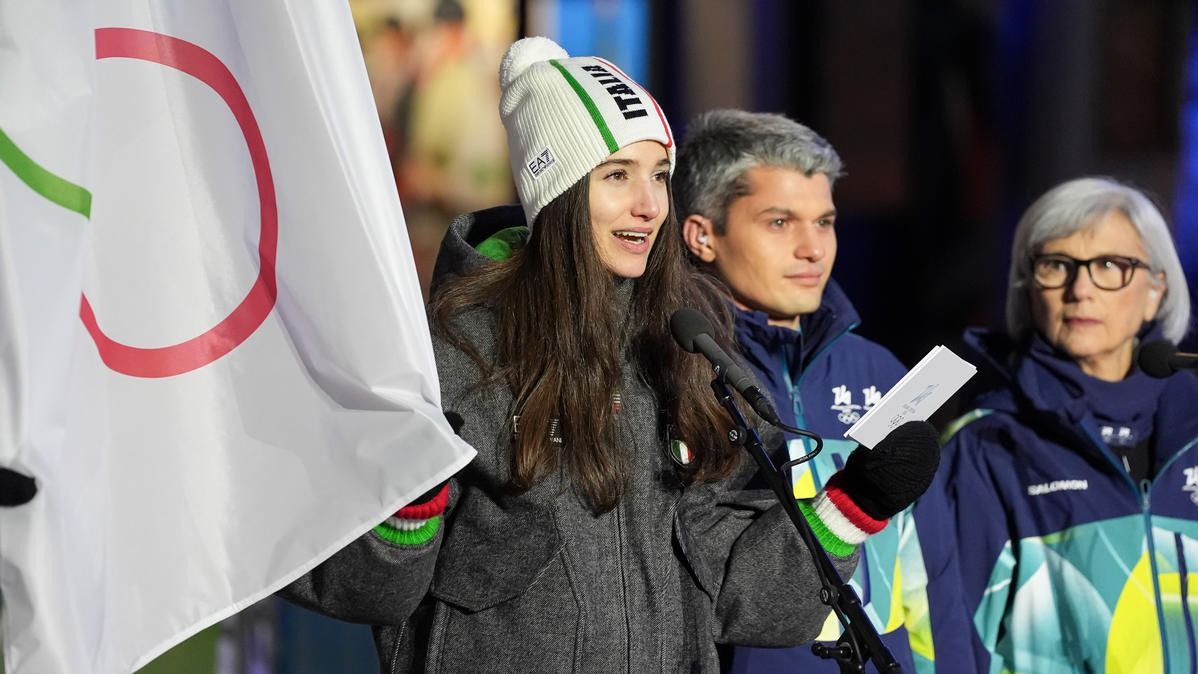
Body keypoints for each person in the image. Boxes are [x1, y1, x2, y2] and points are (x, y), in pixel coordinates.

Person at [281, 37, 939, 673]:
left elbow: (746, 597)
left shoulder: (683, 348)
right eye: (617, 176)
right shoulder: (452, 351)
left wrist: (851, 506)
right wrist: (408, 502)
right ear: (558, 192)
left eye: (660, 176)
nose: (649, 205)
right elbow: (363, 591)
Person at [675, 110, 943, 672]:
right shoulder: (677, 376)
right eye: (780, 222)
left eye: (824, 222)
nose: (813, 249)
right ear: (702, 235)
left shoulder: (882, 373)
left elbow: (933, 577)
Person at [919, 177, 1197, 673]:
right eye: (1056, 265)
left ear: (1156, 290)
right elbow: (947, 644)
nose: (1080, 290)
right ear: (1028, 289)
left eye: (1109, 265)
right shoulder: (987, 446)